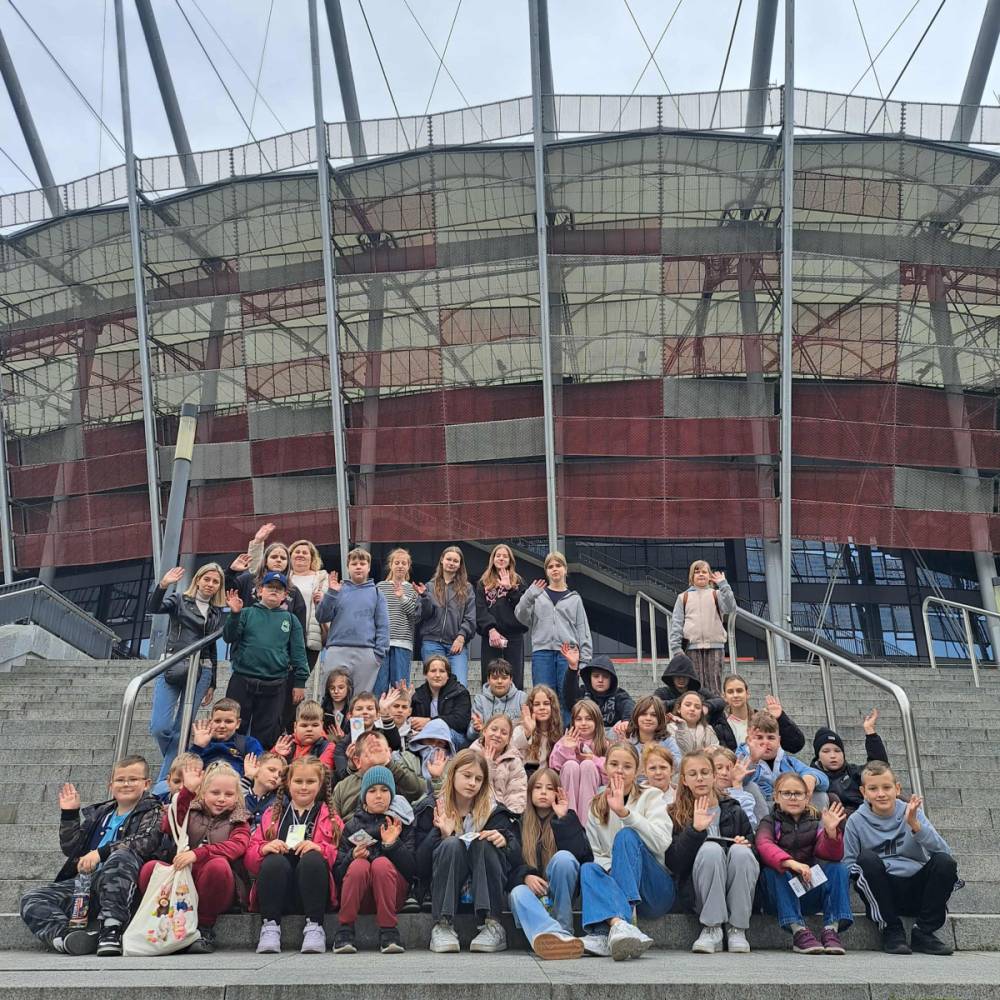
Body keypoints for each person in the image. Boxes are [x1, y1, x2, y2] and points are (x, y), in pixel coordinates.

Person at [20, 755, 162, 957]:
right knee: (32, 899)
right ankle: (68, 937)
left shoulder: (154, 810)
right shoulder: (101, 812)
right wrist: (69, 814)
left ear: (146, 784)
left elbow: (146, 840)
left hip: (125, 885)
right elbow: (72, 849)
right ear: (111, 785)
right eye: (120, 780)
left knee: (121, 856)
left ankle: (112, 929)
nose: (126, 784)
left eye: (133, 779)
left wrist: (100, 853)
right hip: (88, 886)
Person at [844, 761, 958, 956]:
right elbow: (848, 865)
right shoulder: (855, 821)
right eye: (873, 788)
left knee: (945, 863)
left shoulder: (912, 812)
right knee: (866, 860)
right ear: (864, 792)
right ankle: (891, 929)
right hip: (883, 892)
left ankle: (924, 932)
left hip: (917, 890)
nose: (881, 794)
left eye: (886, 787)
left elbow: (944, 852)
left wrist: (915, 825)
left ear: (897, 788)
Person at [137, 761, 250, 954]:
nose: (221, 799)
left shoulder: (240, 819)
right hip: (182, 880)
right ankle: (163, 922)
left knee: (218, 865)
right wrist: (187, 792)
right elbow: (168, 826)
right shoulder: (191, 810)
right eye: (215, 793)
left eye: (229, 794)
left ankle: (204, 928)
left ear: (237, 797)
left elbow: (237, 846)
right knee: (151, 868)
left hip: (217, 886)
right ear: (203, 792)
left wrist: (197, 854)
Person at [416, 748, 520, 954]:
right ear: (452, 774)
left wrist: (504, 841)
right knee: (451, 844)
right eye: (467, 776)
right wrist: (441, 834)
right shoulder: (432, 807)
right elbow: (418, 865)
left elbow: (518, 859)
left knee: (485, 842)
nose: (472, 783)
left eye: (478, 779)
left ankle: (492, 924)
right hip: (445, 891)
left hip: (485, 890)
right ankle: (443, 925)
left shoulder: (495, 811)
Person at [578, 743, 672, 961]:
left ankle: (617, 924)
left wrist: (625, 813)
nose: (620, 770)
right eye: (614, 764)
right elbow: (598, 853)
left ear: (637, 771)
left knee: (626, 836)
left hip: (654, 890)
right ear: (605, 768)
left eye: (627, 766)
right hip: (619, 885)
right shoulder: (596, 805)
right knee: (589, 868)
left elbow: (662, 843)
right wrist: (617, 871)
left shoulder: (652, 796)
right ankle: (614, 928)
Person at [245, 756, 343, 954]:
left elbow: (341, 857)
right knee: (273, 861)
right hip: (278, 892)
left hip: (314, 892)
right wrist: (264, 848)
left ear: (320, 784)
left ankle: (315, 926)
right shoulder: (272, 815)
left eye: (310, 781)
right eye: (298, 781)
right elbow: (250, 859)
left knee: (313, 858)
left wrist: (320, 849)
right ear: (288, 783)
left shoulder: (331, 817)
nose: (304, 787)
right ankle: (270, 926)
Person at [666, 752, 758, 953]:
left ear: (714, 776)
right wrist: (695, 830)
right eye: (693, 774)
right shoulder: (674, 813)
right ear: (684, 780)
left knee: (742, 853)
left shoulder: (734, 810)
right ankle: (712, 927)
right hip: (698, 890)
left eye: (705, 772)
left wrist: (745, 844)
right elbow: (674, 863)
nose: (700, 778)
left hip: (734, 886)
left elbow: (756, 854)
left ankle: (737, 929)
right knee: (711, 849)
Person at [756, 772, 851, 955]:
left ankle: (831, 929)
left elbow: (829, 854)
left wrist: (831, 833)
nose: (793, 798)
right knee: (774, 871)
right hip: (779, 895)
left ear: (807, 798)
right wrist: (791, 863)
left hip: (807, 889)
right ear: (776, 797)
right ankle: (798, 930)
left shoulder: (816, 822)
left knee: (838, 868)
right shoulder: (769, 822)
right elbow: (763, 845)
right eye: (787, 793)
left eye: (798, 793)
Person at [147, 563, 225, 783]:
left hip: (202, 670)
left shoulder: (216, 612)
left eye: (215, 581)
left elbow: (211, 646)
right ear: (197, 580)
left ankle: (164, 783)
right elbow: (154, 607)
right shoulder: (180, 600)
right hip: (173, 665)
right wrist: (163, 585)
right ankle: (175, 763)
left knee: (182, 729)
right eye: (206, 579)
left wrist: (213, 682)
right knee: (159, 727)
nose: (210, 584)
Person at [507, 768, 592, 960]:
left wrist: (563, 819)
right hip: (531, 896)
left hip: (558, 893)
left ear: (557, 793)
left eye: (549, 788)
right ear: (530, 792)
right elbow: (508, 866)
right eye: (538, 787)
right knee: (517, 892)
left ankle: (563, 929)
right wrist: (525, 876)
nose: (543, 792)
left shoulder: (568, 819)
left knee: (564, 859)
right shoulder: (517, 823)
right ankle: (558, 936)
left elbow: (582, 856)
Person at [333, 766, 418, 955]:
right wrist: (352, 856)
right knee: (359, 865)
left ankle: (389, 931)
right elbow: (338, 874)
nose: (378, 796)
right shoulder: (352, 826)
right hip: (359, 897)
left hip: (392, 896)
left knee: (381, 864)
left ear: (392, 794)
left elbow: (411, 870)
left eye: (384, 790)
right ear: (364, 796)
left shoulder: (401, 822)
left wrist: (392, 844)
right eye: (372, 791)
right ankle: (345, 929)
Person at [224, 572, 308, 750]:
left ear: (285, 595)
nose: (274, 591)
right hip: (242, 680)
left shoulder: (291, 620)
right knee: (232, 730)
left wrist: (300, 682)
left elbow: (299, 653)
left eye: (279, 589)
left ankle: (260, 765)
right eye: (270, 587)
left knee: (266, 736)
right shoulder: (246, 613)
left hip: (274, 684)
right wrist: (234, 614)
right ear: (260, 590)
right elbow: (229, 637)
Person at [515, 552, 592, 706]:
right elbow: (520, 616)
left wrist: (584, 661)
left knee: (567, 699)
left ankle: (566, 724)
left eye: (558, 565)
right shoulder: (537, 595)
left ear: (565, 569)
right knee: (544, 698)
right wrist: (528, 596)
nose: (555, 569)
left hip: (568, 654)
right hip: (542, 653)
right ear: (546, 571)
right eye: (550, 567)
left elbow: (583, 630)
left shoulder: (575, 599)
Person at [316, 547, 390, 696]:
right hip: (337, 649)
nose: (358, 566)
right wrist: (331, 593)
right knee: (331, 696)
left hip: (366, 653)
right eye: (354, 563)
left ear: (368, 567)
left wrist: (378, 655)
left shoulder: (377, 593)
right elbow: (321, 616)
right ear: (348, 567)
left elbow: (383, 626)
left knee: (360, 699)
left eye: (362, 563)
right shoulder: (337, 590)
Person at [668, 560, 736, 696]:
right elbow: (676, 624)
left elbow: (730, 607)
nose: (701, 574)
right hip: (691, 647)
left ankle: (716, 708)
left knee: (714, 684)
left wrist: (723, 584)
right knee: (694, 685)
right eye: (697, 572)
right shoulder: (683, 597)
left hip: (715, 646)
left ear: (710, 576)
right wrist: (676, 648)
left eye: (704, 572)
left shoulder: (717, 594)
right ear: (691, 577)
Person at [330, 729, 426, 825]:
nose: (377, 756)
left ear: (389, 753)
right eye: (371, 751)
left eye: (380, 751)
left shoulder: (397, 776)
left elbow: (419, 790)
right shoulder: (343, 787)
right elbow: (333, 822)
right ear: (357, 761)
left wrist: (388, 763)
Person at [739, 711, 829, 804]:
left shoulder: (788, 761)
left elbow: (825, 781)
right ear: (749, 739)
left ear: (779, 741)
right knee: (750, 787)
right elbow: (738, 782)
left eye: (771, 738)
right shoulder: (740, 757)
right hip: (759, 809)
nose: (765, 742)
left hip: (787, 806)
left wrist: (811, 777)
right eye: (759, 737)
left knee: (820, 795)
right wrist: (753, 760)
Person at [418, 545, 477, 687]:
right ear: (442, 560)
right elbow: (423, 615)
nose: (451, 563)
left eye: (455, 561)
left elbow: (470, 617)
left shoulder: (467, 588)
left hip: (456, 644)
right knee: (435, 686)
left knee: (460, 685)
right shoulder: (429, 586)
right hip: (432, 643)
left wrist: (461, 637)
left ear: (460, 565)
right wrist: (425, 598)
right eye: (449, 559)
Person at [811, 709, 889, 815]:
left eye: (837, 751)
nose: (833, 755)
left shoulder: (854, 772)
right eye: (826, 751)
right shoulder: (812, 777)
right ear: (818, 757)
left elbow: (879, 767)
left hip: (864, 817)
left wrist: (870, 731)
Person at [475, 543, 528, 689]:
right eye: (498, 555)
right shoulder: (483, 582)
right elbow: (480, 609)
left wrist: (510, 589)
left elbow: (524, 608)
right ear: (493, 559)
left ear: (510, 560)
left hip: (514, 635)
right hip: (491, 636)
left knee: (515, 677)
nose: (501, 558)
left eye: (505, 556)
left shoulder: (519, 581)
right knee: (490, 676)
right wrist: (491, 630)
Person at [709, 675, 805, 754]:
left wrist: (780, 718)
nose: (735, 695)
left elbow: (796, 745)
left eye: (739, 691)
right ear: (724, 697)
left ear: (747, 694)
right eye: (730, 692)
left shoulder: (762, 719)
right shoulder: (719, 726)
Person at [549, 700, 609, 820]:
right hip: (568, 790)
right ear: (573, 722)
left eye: (588, 719)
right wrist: (566, 749)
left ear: (597, 721)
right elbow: (554, 767)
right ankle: (569, 819)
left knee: (587, 765)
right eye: (579, 719)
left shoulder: (604, 744)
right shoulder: (565, 740)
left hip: (596, 792)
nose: (583, 723)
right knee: (571, 765)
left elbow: (610, 774)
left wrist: (593, 759)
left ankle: (587, 822)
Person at [375, 548, 421, 696]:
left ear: (408, 566)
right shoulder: (380, 587)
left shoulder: (412, 589)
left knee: (400, 687)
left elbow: (415, 615)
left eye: (403, 563)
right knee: (379, 686)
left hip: (403, 642)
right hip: (381, 643)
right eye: (397, 563)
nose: (400, 566)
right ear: (391, 565)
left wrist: (402, 598)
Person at [331, 690, 404, 780]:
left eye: (370, 708)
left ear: (377, 715)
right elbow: (341, 777)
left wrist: (385, 714)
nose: (365, 712)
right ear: (350, 715)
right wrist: (352, 766)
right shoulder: (342, 745)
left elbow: (396, 745)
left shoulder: (383, 736)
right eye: (359, 709)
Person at [562, 646, 634, 735]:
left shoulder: (619, 695)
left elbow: (629, 706)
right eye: (596, 676)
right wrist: (573, 667)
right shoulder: (583, 693)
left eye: (605, 677)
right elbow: (569, 698)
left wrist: (627, 720)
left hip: (610, 737)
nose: (600, 680)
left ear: (611, 680)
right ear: (590, 678)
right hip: (584, 735)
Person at [410, 653, 472, 750]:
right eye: (433, 671)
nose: (437, 675)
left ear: (448, 675)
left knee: (439, 735)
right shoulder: (418, 694)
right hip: (426, 737)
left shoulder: (460, 692)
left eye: (442, 671)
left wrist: (430, 722)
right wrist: (407, 701)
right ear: (425, 674)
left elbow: (461, 721)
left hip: (454, 737)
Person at [285, 538, 329, 672]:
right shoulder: (283, 577)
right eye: (297, 552)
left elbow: (331, 607)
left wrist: (324, 599)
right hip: (283, 636)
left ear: (312, 558)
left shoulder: (321, 578)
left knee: (300, 678)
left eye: (305, 553)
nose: (301, 555)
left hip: (309, 638)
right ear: (290, 556)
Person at [470, 714, 528, 815]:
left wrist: (506, 818)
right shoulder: (470, 755)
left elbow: (517, 796)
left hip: (503, 817)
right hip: (474, 814)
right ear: (484, 731)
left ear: (509, 739)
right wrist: (487, 767)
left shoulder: (515, 762)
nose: (497, 735)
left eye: (504, 733)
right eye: (494, 729)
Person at [188, 699, 263, 774]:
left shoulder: (248, 743)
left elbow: (261, 769)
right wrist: (197, 747)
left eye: (228, 721)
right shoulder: (202, 744)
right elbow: (186, 770)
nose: (222, 726)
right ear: (211, 722)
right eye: (217, 721)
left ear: (238, 723)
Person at [468, 658, 526, 742]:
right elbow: (469, 736)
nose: (499, 681)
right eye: (495, 678)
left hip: (515, 744)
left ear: (511, 679)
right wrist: (475, 729)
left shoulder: (521, 697)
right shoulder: (480, 699)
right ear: (488, 680)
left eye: (504, 678)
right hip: (487, 744)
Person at [511, 684, 563, 771]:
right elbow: (512, 747)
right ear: (531, 708)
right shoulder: (520, 729)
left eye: (546, 703)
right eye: (537, 704)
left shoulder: (557, 732)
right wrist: (528, 732)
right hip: (525, 775)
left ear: (552, 707)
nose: (542, 708)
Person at [273, 700, 336, 771]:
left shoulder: (328, 747)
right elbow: (269, 769)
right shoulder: (285, 743)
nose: (309, 729)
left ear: (322, 725)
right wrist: (277, 754)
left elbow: (320, 773)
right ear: (295, 726)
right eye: (304, 725)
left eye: (315, 725)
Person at [707, 747, 760, 830]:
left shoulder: (745, 795)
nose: (724, 773)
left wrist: (737, 786)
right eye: (719, 768)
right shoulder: (703, 793)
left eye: (729, 769)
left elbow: (749, 827)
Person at [623, 695, 683, 763]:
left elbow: (678, 764)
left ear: (660, 719)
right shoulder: (628, 740)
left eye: (654, 715)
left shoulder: (668, 742)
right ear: (636, 716)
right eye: (643, 714)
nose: (648, 718)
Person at [240, 752, 286, 831]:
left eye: (280, 775)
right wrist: (249, 776)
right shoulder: (242, 792)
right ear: (257, 767)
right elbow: (236, 800)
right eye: (271, 770)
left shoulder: (282, 800)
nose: (276, 776)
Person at [321, 668, 353, 737]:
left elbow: (357, 737)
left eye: (341, 688)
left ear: (348, 688)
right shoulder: (321, 710)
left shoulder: (354, 711)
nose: (336, 691)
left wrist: (344, 738)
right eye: (332, 688)